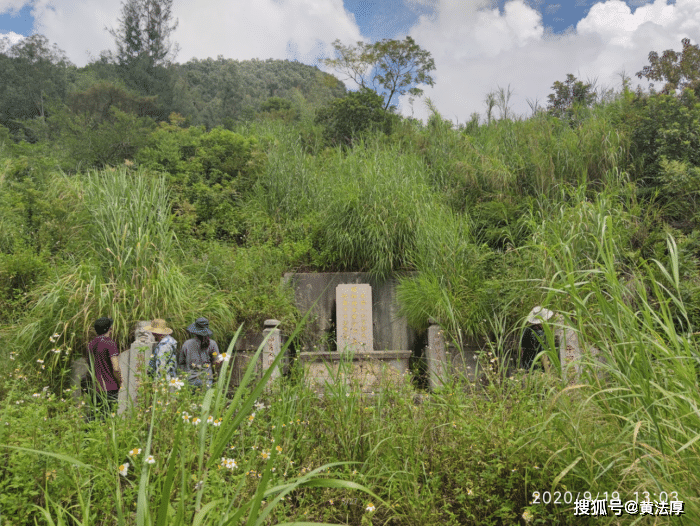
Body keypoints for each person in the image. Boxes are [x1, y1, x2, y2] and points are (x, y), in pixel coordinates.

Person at [86, 317, 122, 420]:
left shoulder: (91, 345)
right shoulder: (110, 343)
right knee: (110, 418)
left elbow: (90, 367)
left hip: (95, 387)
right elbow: (116, 368)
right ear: (109, 329)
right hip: (110, 387)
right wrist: (120, 381)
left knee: (96, 418)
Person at [178, 317, 223, 390]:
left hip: (191, 379)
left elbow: (181, 362)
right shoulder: (212, 344)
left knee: (191, 400)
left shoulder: (187, 344)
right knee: (206, 400)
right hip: (206, 379)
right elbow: (217, 361)